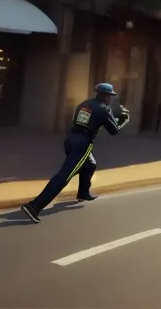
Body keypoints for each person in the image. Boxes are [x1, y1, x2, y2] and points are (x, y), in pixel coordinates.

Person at [20, 83, 130, 223]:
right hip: (82, 145)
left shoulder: (85, 104)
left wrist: (112, 117)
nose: (111, 99)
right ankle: (34, 207)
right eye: (110, 96)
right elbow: (113, 130)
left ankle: (83, 193)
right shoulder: (104, 109)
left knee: (90, 164)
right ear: (107, 97)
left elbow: (94, 118)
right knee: (64, 176)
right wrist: (123, 119)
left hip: (70, 140)